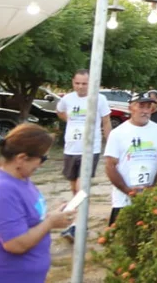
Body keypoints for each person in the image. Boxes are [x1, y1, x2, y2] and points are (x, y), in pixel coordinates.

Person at [0, 124, 74, 282]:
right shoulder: (2, 190)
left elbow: (27, 221)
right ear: (21, 158)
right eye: (42, 158)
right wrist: (50, 222)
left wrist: (51, 216)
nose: (41, 165)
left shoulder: (21, 180)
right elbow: (15, 244)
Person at [55, 69, 111, 241]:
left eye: (84, 83)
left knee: (81, 188)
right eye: (77, 83)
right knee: (74, 188)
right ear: (73, 82)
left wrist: (110, 144)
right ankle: (76, 221)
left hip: (90, 149)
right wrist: (71, 122)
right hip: (71, 148)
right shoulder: (67, 99)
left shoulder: (99, 99)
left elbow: (106, 121)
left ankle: (77, 224)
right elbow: (60, 112)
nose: (80, 87)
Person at [103, 92, 157, 226]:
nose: (145, 111)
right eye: (141, 106)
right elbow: (110, 166)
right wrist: (128, 191)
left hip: (150, 197)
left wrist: (153, 187)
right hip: (124, 199)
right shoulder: (118, 133)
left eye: (148, 107)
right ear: (130, 108)